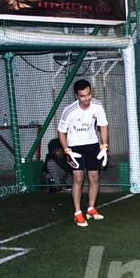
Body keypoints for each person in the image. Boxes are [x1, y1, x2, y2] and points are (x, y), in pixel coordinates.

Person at [57, 79, 109, 227]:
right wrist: (67, 150)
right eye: (82, 96)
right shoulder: (69, 110)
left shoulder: (97, 106)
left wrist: (104, 146)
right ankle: (78, 213)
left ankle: (91, 208)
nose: (86, 98)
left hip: (92, 144)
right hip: (75, 147)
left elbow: (103, 126)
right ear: (76, 96)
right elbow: (61, 132)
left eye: (88, 94)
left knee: (94, 176)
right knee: (78, 178)